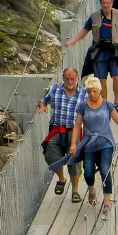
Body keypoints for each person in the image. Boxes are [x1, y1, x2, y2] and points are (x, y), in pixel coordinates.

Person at [69, 76, 118, 215]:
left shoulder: (107, 105)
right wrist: (73, 144)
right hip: (89, 144)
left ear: (99, 90)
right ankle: (91, 189)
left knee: (104, 169)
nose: (92, 94)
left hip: (105, 143)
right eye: (89, 91)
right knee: (88, 172)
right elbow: (77, 126)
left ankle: (107, 200)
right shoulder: (83, 106)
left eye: (94, 91)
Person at [62, 0, 118, 106]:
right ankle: (105, 103)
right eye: (103, 3)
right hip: (100, 51)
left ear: (111, 3)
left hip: (115, 50)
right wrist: (73, 41)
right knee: (101, 79)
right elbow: (84, 30)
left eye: (108, 3)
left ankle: (116, 103)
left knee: (117, 76)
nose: (106, 5)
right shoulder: (94, 16)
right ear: (100, 3)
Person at [38, 65, 86, 201]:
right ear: (63, 78)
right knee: (50, 153)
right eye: (67, 78)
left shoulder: (84, 93)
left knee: (74, 159)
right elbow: (43, 101)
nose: (69, 81)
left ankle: (75, 191)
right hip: (56, 129)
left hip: (74, 131)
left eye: (72, 79)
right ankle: (61, 179)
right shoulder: (54, 89)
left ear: (77, 78)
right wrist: (42, 107)